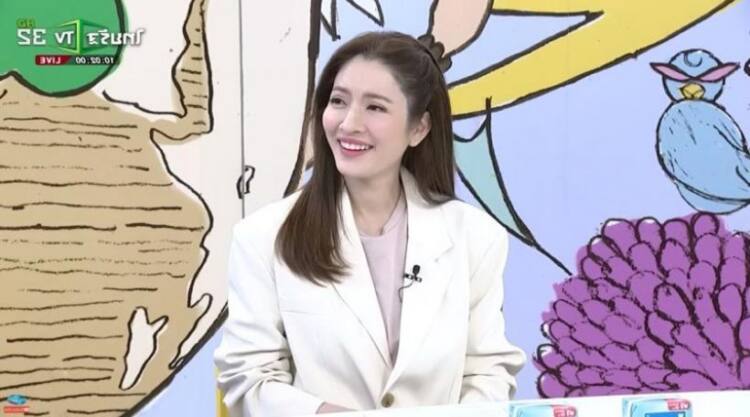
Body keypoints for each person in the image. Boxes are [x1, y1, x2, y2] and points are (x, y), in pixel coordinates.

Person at [214, 31, 525, 417]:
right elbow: (249, 378)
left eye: (375, 107)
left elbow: (487, 373)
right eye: (338, 101)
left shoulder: (475, 237)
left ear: (419, 128)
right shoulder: (263, 237)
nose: (349, 123)